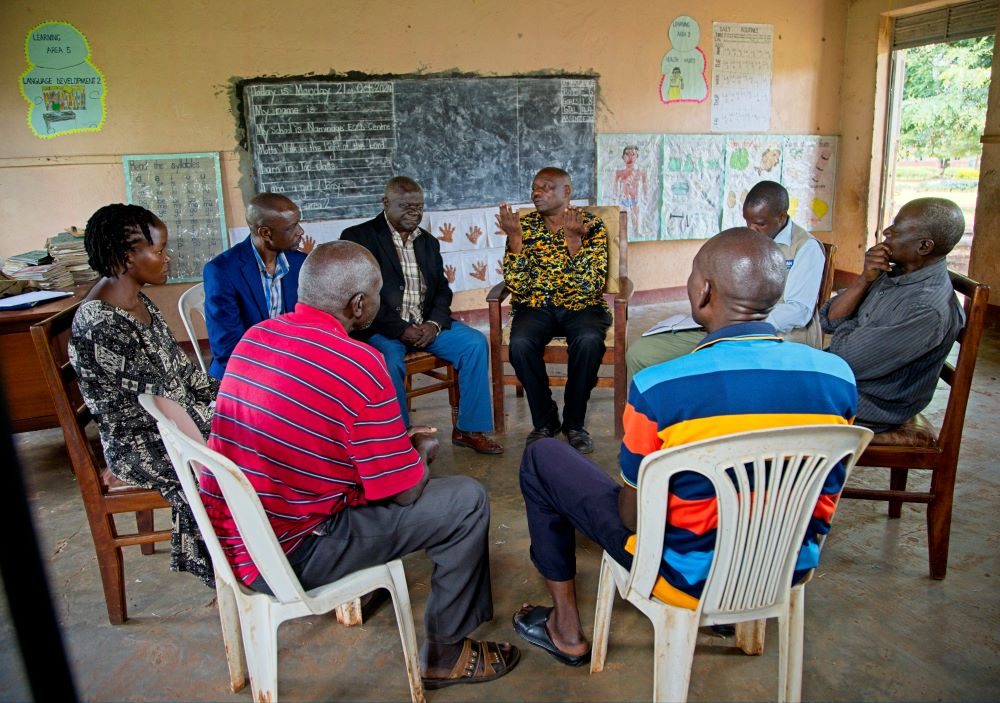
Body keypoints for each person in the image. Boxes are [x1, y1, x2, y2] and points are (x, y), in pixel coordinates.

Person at [512, 228, 857, 666]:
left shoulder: (660, 386)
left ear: (703, 289)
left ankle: (564, 629)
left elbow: (632, 517)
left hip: (682, 573)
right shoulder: (837, 377)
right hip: (784, 566)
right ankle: (732, 613)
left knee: (543, 458)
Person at [201, 241, 519, 689]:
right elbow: (404, 492)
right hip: (289, 553)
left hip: (236, 535)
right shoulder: (359, 364)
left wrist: (390, 447)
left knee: (408, 477)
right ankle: (445, 653)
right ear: (358, 304)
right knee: (465, 501)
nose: (379, 303)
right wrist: (418, 454)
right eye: (377, 296)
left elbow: (315, 432)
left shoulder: (258, 337)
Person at [68, 203, 218, 586]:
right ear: (126, 256)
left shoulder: (139, 301)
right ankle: (235, 563)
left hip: (172, 420)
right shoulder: (101, 324)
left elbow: (182, 375)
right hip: (140, 441)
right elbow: (156, 408)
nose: (167, 258)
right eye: (159, 249)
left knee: (249, 422)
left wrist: (230, 395)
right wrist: (225, 413)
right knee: (242, 451)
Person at [341, 177, 502, 455]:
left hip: (424, 325)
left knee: (474, 344)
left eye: (419, 207)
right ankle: (400, 438)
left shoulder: (427, 242)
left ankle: (468, 429)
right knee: (389, 361)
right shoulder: (358, 238)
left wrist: (434, 324)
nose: (414, 213)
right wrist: (400, 329)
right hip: (382, 328)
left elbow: (441, 290)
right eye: (405, 207)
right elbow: (358, 296)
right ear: (386, 203)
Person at [626, 180, 825, 377]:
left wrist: (744, 325)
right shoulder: (748, 241)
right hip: (731, 328)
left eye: (759, 224)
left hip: (776, 336)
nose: (751, 229)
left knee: (712, 365)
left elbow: (798, 310)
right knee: (641, 354)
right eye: (747, 221)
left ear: (782, 217)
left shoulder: (806, 248)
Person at [821, 197, 966, 433]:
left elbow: (846, 358)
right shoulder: (893, 272)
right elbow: (829, 320)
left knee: (763, 401)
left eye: (896, 229)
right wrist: (863, 280)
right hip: (848, 381)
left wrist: (852, 327)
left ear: (924, 247)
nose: (886, 232)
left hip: (872, 400)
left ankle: (784, 468)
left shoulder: (926, 308)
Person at [495, 167, 612, 454]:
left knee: (588, 341)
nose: (537, 193)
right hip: (536, 306)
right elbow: (517, 286)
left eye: (547, 187)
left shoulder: (591, 225)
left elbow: (590, 286)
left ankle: (574, 422)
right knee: (520, 343)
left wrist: (574, 243)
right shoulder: (523, 226)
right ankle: (545, 421)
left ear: (567, 192)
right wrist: (515, 242)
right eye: (535, 187)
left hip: (582, 306)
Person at [202, 192, 307, 379]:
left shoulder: (300, 263)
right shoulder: (222, 271)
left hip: (287, 366)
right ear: (265, 233)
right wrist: (272, 378)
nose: (300, 231)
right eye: (291, 227)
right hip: (241, 372)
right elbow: (228, 347)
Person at [613, 145, 648, 235]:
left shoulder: (640, 173)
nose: (630, 157)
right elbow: (615, 188)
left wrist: (645, 197)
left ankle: (636, 233)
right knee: (623, 219)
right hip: (623, 200)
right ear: (623, 157)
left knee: (635, 219)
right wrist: (615, 198)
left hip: (635, 200)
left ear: (637, 157)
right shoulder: (619, 173)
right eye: (627, 154)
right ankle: (623, 235)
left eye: (633, 154)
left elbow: (645, 187)